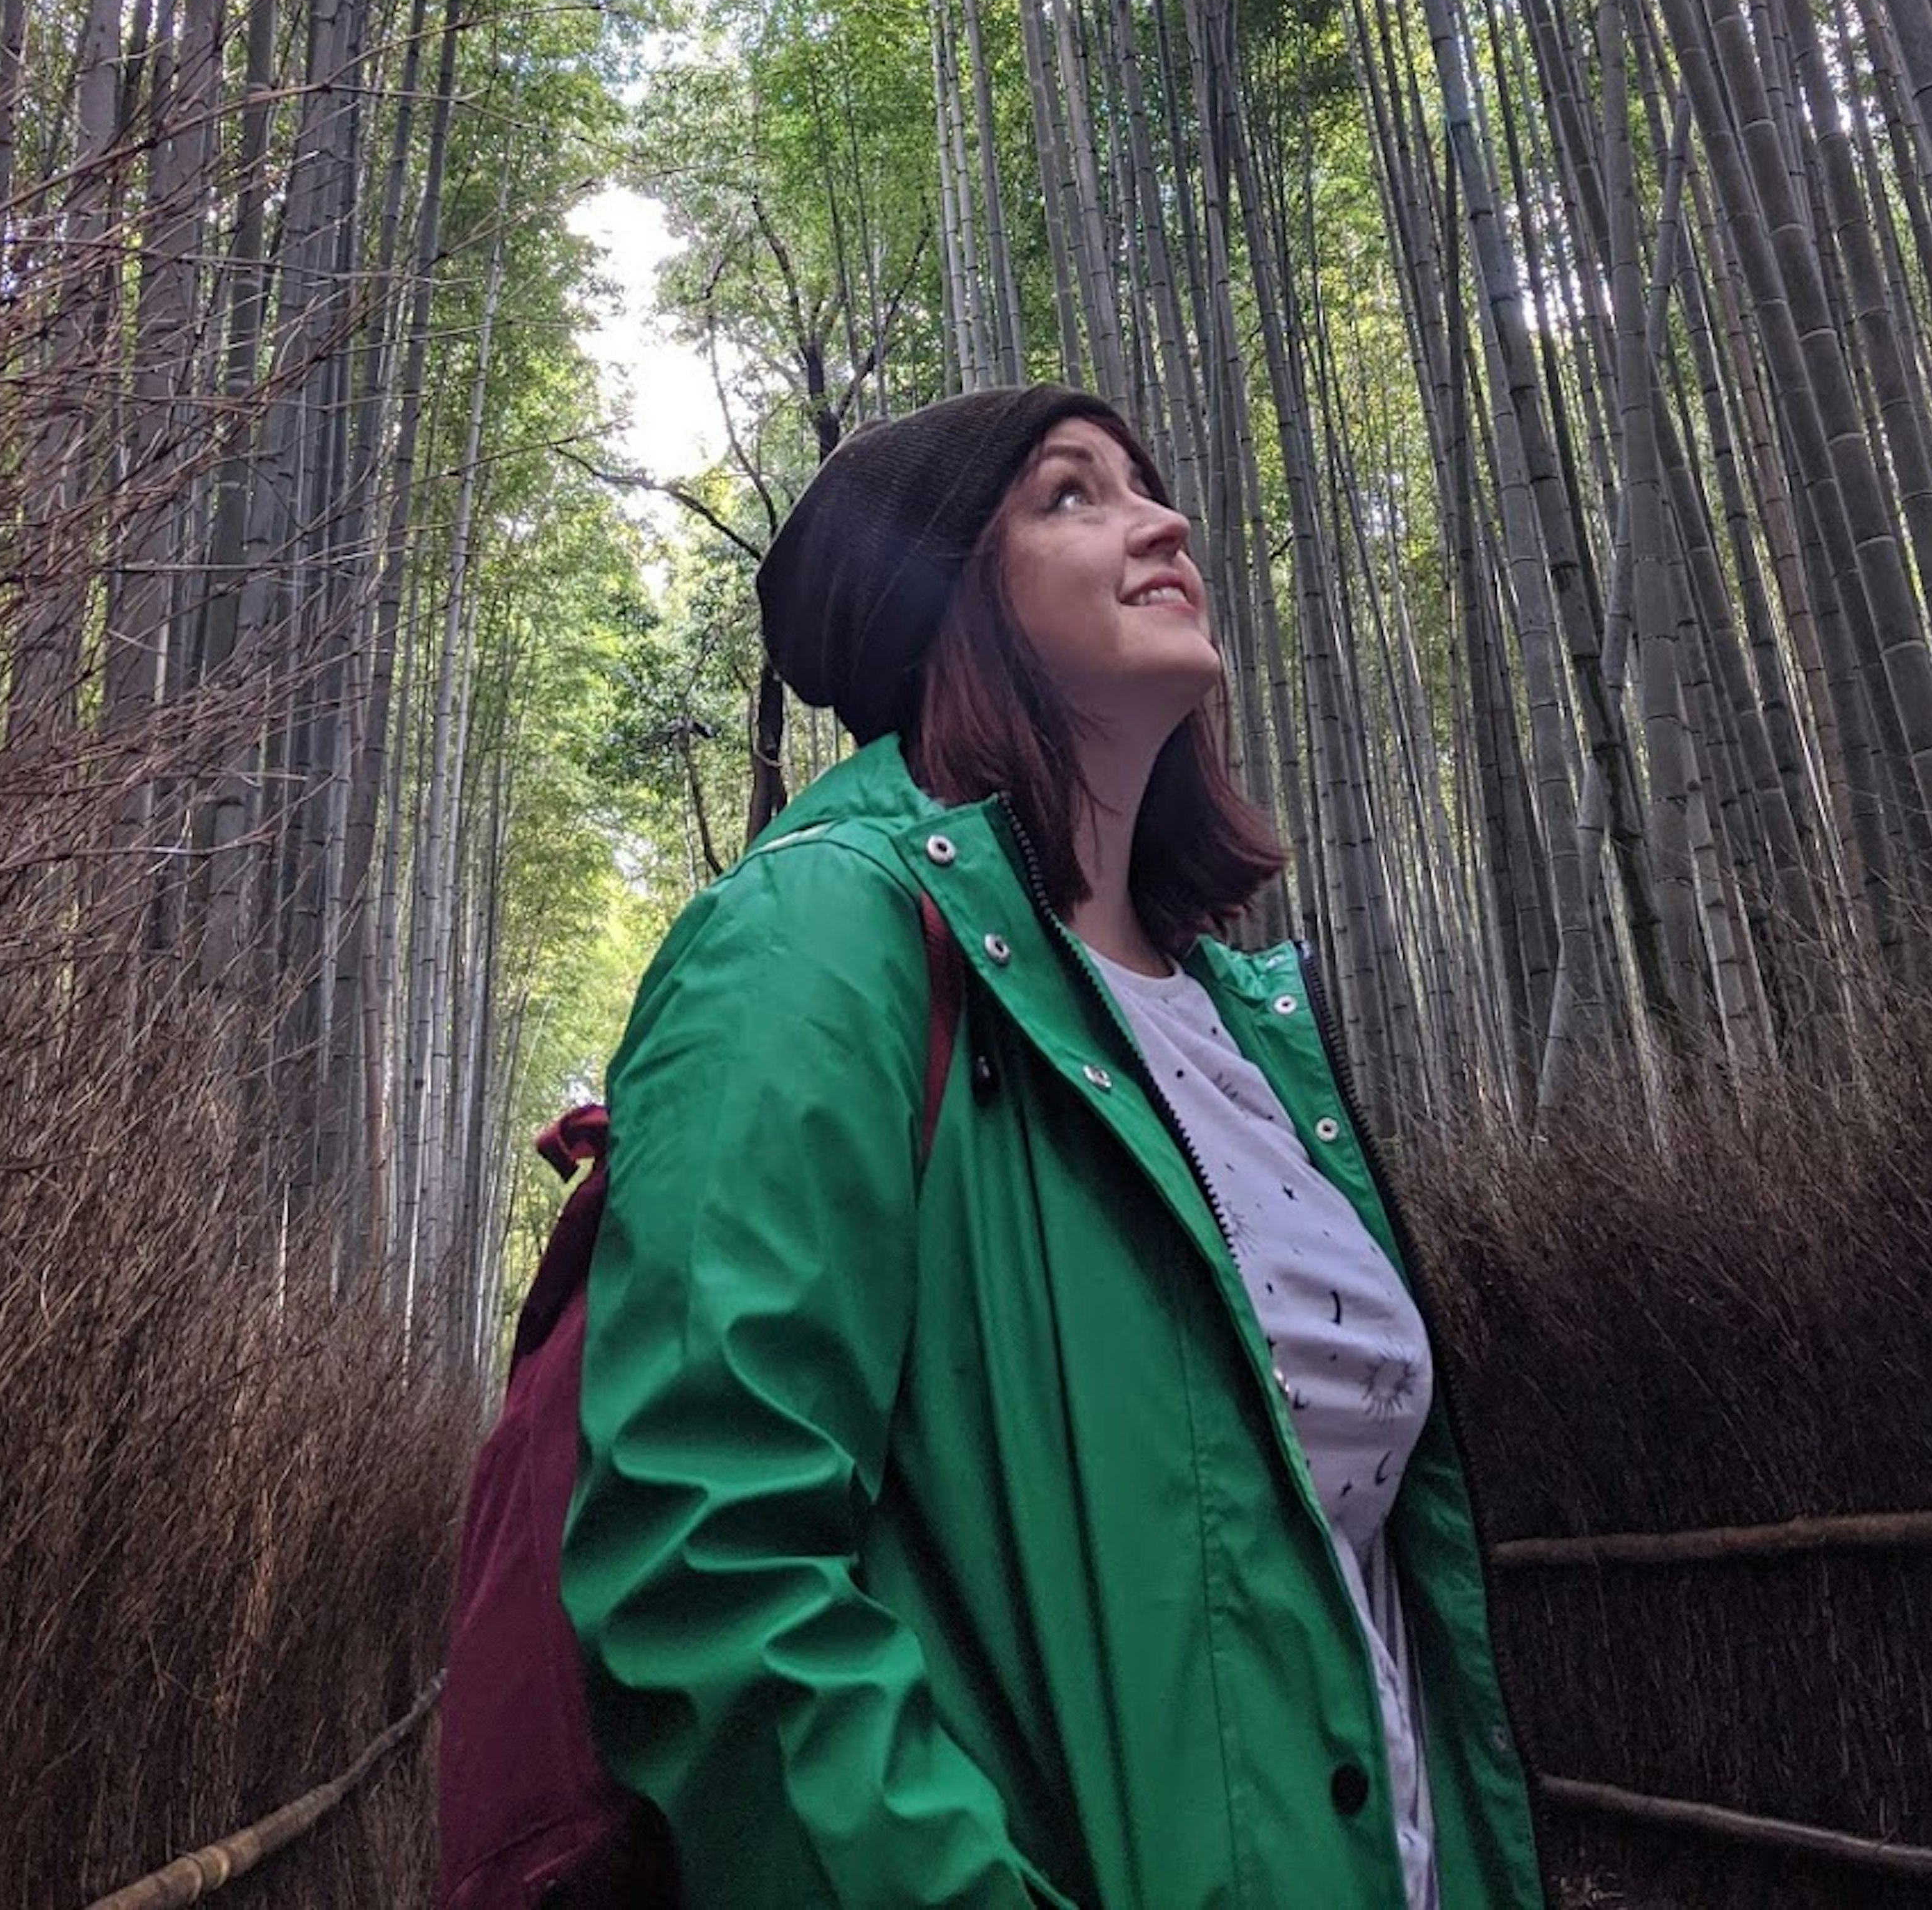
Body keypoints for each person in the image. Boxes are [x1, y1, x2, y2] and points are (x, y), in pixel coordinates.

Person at [562, 384, 1545, 1910]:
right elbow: (711, 1556)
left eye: (1147, 487)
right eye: (1071, 496)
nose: (1161, 524)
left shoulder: (1249, 1026)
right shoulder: (820, 937)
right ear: (945, 599)